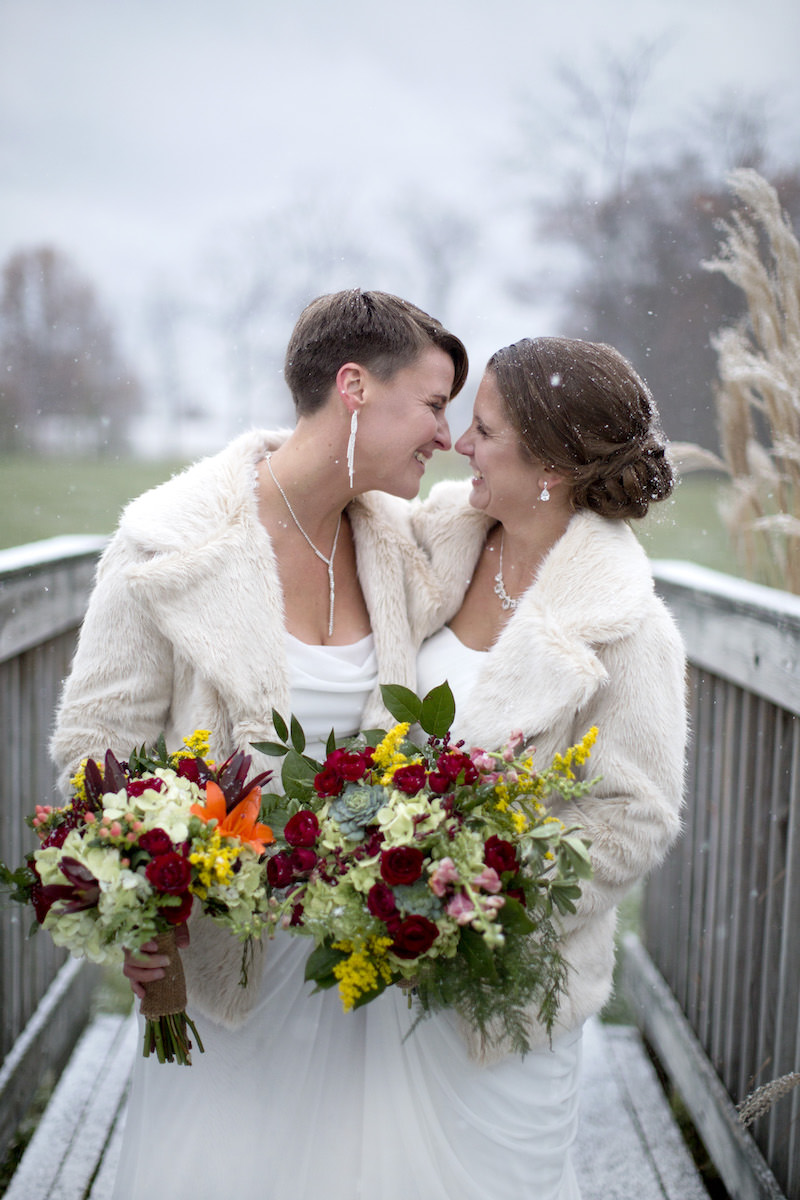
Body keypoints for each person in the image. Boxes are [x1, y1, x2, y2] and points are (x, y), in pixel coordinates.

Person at [50, 289, 471, 1199]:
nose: (448, 433)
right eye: (436, 404)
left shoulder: (405, 546)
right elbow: (95, 750)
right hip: (222, 956)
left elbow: (536, 516)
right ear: (353, 385)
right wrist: (140, 900)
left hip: (363, 955)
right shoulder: (168, 545)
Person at [411, 336, 688, 1199]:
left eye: (484, 429)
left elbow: (633, 816)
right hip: (381, 969)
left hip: (508, 989)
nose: (459, 444)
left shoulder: (630, 629)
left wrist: (484, 897)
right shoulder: (433, 538)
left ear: (552, 465)